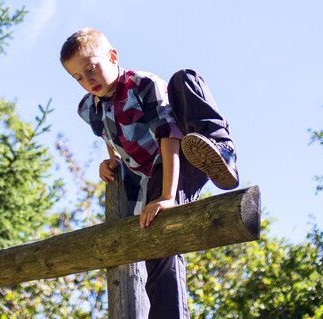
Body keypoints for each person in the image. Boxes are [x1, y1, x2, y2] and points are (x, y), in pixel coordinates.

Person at [59, 28, 240, 319]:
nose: (87, 80)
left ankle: (222, 150)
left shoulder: (143, 84)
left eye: (91, 69)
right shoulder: (88, 108)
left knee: (184, 79)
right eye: (78, 77)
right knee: (154, 243)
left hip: (182, 152)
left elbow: (168, 136)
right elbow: (108, 131)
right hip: (155, 172)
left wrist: (168, 196)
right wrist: (113, 160)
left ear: (112, 57)